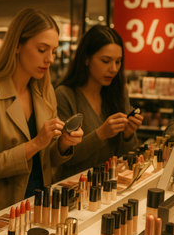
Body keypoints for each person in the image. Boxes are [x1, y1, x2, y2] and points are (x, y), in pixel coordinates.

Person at [0, 8, 83, 212]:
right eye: (42, 49)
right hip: (3, 209)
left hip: (41, 203)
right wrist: (36, 143)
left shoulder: (44, 91)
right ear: (17, 45)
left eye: (53, 51)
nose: (50, 59)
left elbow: (49, 159)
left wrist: (63, 143)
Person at [55, 25, 143, 176]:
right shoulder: (65, 95)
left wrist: (128, 134)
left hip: (111, 186)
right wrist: (101, 134)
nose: (114, 69)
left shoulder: (119, 92)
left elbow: (125, 155)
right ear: (87, 59)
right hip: (74, 188)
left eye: (118, 61)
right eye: (106, 61)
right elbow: (65, 158)